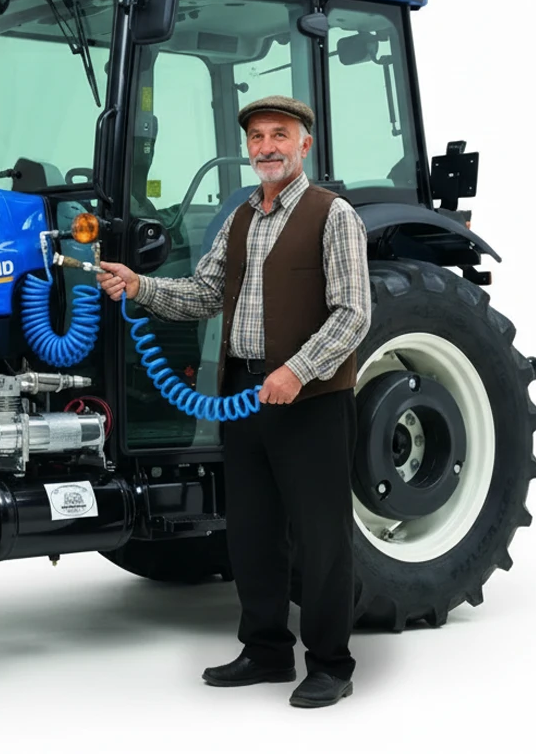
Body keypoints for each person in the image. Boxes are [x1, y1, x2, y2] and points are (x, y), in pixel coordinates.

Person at [96, 95, 371, 709]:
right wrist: (141, 286)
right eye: (257, 137)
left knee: (321, 539)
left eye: (280, 135)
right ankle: (266, 650)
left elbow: (353, 313)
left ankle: (331, 664)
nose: (267, 147)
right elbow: (204, 293)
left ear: (304, 145)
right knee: (253, 531)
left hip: (309, 399)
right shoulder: (242, 218)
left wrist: (297, 371)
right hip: (244, 396)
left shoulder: (333, 215)